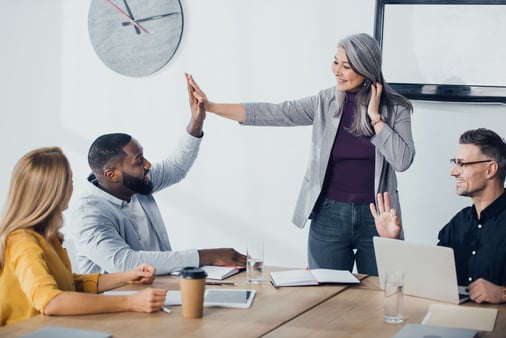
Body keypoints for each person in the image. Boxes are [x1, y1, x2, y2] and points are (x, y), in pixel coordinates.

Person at [186, 33, 415, 275]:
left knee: (383, 294)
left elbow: (402, 161)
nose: (337, 71)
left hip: (379, 217)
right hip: (329, 215)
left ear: (367, 70)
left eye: (346, 66)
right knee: (326, 296)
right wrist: (210, 107)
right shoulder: (324, 102)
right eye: (335, 62)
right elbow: (277, 113)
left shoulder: (395, 109)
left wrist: (376, 119)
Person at [71, 77, 246, 275]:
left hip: (160, 291)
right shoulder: (87, 214)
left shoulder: (134, 185)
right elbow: (125, 263)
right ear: (112, 175)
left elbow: (176, 167)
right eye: (139, 160)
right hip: (116, 302)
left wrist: (197, 121)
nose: (148, 165)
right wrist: (204, 256)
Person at [0, 147, 167, 326]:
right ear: (53, 191)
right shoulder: (23, 241)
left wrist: (127, 276)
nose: (73, 187)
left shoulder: (47, 237)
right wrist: (131, 302)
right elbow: (52, 302)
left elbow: (69, 285)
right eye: (70, 181)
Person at [371, 128, 506, 304]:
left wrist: (502, 293)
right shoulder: (458, 223)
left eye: (462, 164)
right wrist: (393, 241)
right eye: (454, 163)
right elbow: (429, 279)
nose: (453, 172)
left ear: (490, 169)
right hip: (456, 322)